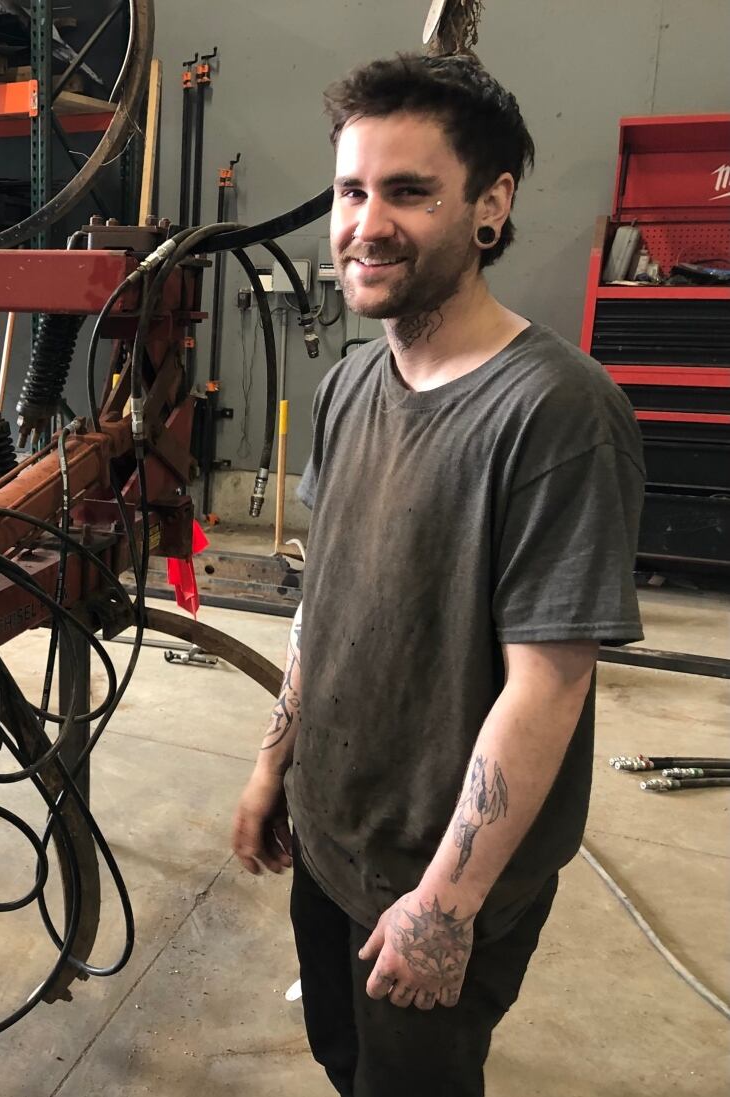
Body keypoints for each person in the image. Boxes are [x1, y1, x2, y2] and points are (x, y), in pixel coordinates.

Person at [231, 53, 645, 1097]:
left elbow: (548, 682)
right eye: (352, 189)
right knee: (341, 1056)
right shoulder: (352, 381)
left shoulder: (557, 412)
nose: (366, 223)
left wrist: (444, 905)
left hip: (436, 877)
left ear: (491, 205)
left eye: (409, 192)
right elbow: (323, 599)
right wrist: (274, 762)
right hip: (332, 836)